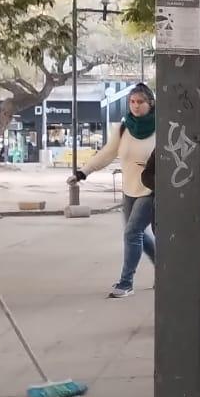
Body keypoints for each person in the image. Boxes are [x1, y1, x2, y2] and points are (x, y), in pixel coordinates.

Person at [71, 83, 156, 299]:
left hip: (151, 190)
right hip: (129, 189)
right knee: (137, 233)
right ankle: (165, 269)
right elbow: (106, 154)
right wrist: (83, 172)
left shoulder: (161, 128)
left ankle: (126, 282)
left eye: (140, 102)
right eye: (132, 102)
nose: (135, 106)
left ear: (151, 103)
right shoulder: (123, 128)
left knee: (132, 232)